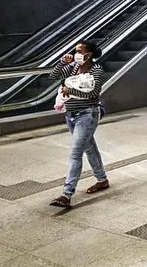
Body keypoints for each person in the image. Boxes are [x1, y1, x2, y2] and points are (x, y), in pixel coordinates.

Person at [48, 40, 109, 208]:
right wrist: (62, 62)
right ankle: (102, 180)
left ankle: (66, 194)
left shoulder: (96, 70)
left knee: (76, 153)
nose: (77, 54)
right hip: (71, 115)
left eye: (80, 51)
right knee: (89, 148)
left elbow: (94, 93)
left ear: (89, 54)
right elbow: (52, 77)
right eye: (76, 51)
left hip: (87, 115)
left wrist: (70, 91)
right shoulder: (73, 67)